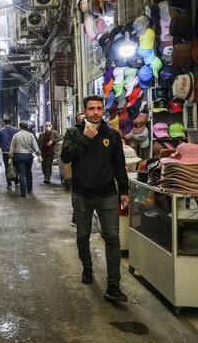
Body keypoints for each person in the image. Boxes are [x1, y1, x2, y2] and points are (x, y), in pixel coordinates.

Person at [61, 95, 130, 303]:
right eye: (91, 108)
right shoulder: (74, 133)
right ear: (85, 111)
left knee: (112, 238)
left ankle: (113, 285)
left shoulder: (112, 134)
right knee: (83, 235)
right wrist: (86, 138)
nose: (96, 112)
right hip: (82, 194)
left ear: (103, 111)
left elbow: (119, 164)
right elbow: (66, 157)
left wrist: (124, 189)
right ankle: (88, 268)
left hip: (107, 193)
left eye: (99, 108)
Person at [8, 122, 42, 197]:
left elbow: (12, 147)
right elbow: (35, 146)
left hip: (19, 156)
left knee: (22, 174)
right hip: (28, 156)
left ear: (20, 127)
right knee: (29, 172)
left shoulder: (16, 135)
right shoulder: (31, 135)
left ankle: (23, 192)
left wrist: (10, 157)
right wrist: (39, 155)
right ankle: (30, 189)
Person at [0, 118, 19, 189]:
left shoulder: (0, 131)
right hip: (15, 152)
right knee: (16, 166)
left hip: (6, 152)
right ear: (11, 122)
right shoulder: (16, 130)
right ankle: (16, 181)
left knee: (7, 167)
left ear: (4, 123)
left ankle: (9, 184)